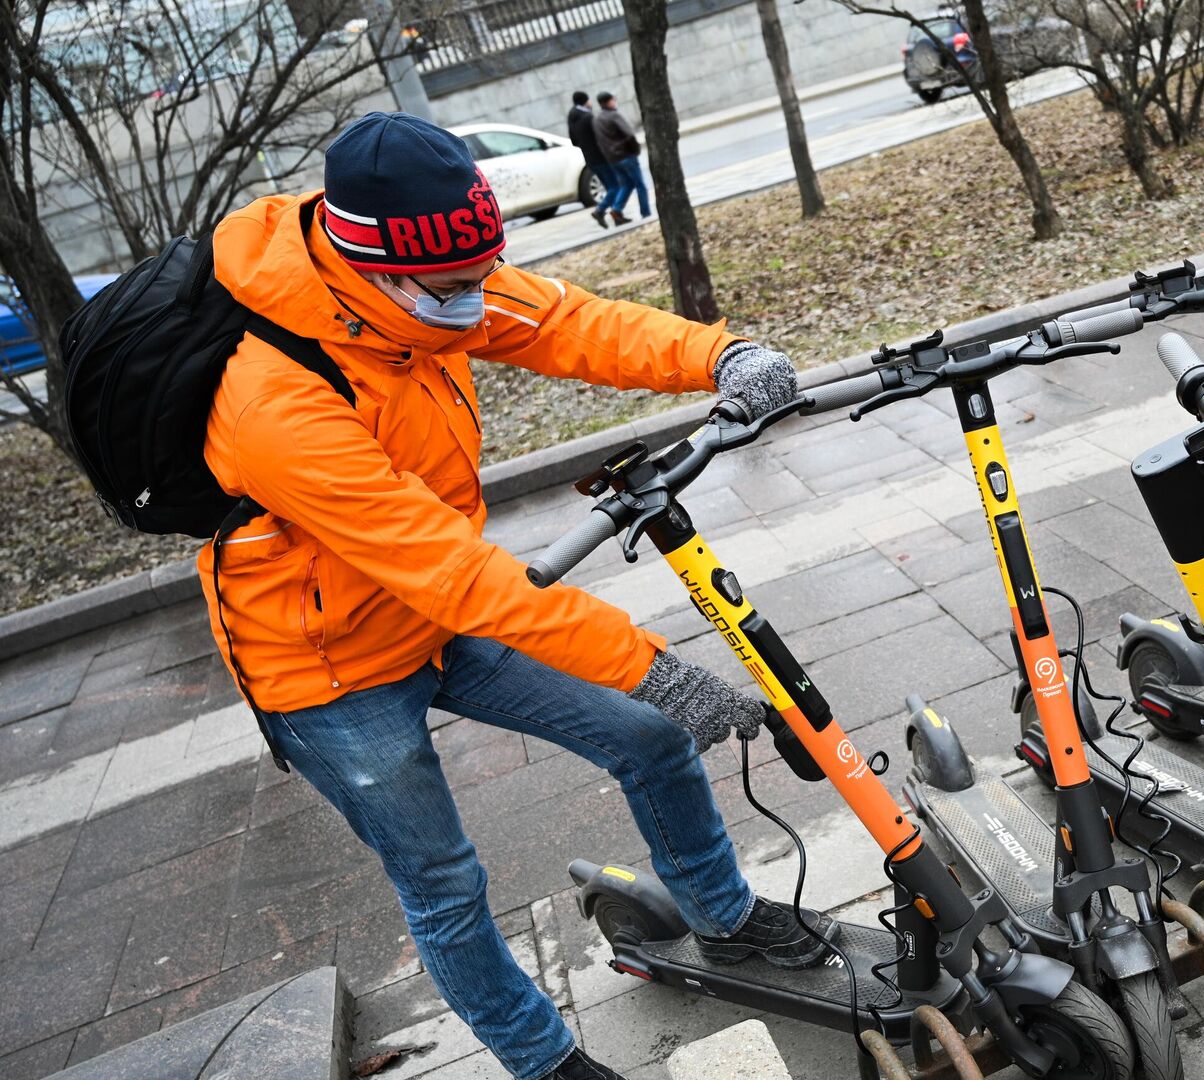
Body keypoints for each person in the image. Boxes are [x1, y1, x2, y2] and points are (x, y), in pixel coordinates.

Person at [202, 111, 815, 1080]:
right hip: (329, 672)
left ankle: (725, 919)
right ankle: (546, 1064)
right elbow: (452, 568)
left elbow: (568, 322)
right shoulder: (274, 397)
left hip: (439, 618)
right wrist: (654, 667)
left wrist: (717, 356)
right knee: (444, 883)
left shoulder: (425, 283)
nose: (476, 305)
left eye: (482, 278)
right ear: (378, 271)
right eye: (456, 290)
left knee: (648, 739)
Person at [592, 91, 651, 225]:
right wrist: (635, 150)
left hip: (612, 158)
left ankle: (616, 209)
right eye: (613, 100)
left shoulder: (597, 119)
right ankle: (646, 213)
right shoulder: (614, 116)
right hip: (625, 155)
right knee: (640, 185)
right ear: (609, 101)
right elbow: (629, 134)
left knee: (627, 184)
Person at [566, 90, 619, 229]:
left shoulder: (572, 117)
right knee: (615, 186)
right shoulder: (588, 117)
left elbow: (574, 141)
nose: (591, 103)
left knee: (610, 187)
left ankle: (617, 215)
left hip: (589, 159)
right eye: (589, 100)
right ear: (585, 101)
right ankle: (601, 210)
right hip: (600, 157)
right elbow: (601, 138)